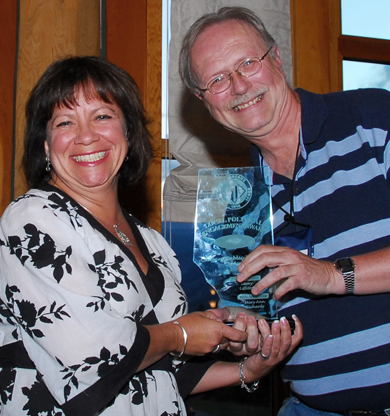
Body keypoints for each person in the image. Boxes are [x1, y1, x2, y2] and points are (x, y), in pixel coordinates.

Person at [0, 56, 301, 416]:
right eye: (65, 122)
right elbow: (96, 359)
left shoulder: (153, 242)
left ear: (128, 133)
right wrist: (180, 334)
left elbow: (163, 373)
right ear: (47, 146)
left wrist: (247, 367)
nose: (86, 135)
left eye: (102, 116)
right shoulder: (32, 220)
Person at [179, 6, 390, 416]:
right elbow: (258, 321)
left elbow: (322, 278)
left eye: (247, 63)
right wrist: (247, 335)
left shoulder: (374, 119)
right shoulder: (235, 202)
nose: (239, 86)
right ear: (204, 102)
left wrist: (329, 275)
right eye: (218, 79)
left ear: (276, 58)